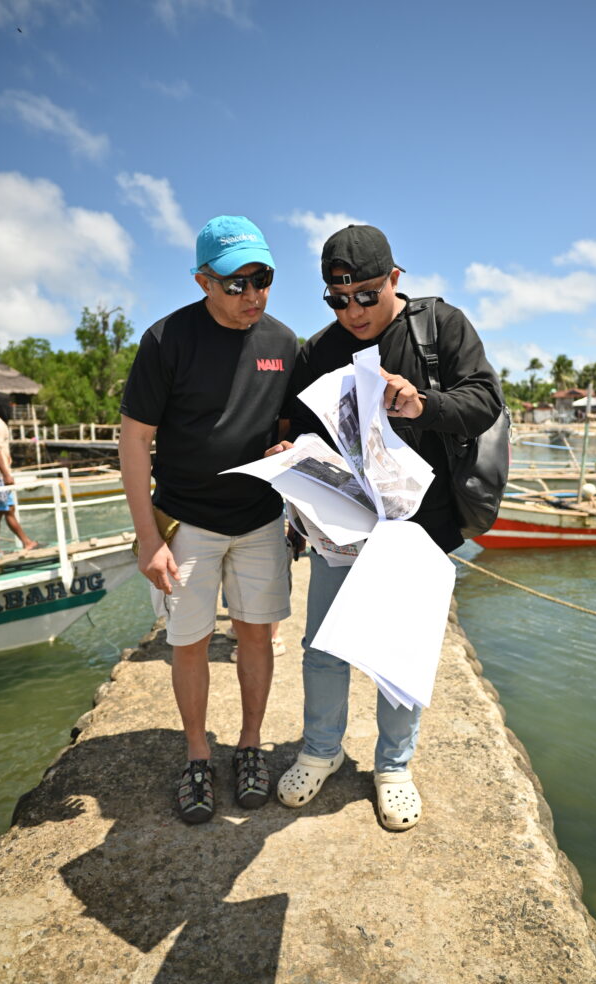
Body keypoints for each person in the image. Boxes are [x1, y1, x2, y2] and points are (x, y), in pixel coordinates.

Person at [272, 224, 502, 831]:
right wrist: (287, 452)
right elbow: (294, 423)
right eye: (338, 298)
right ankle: (321, 749)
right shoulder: (319, 349)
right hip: (341, 525)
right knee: (323, 646)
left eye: (367, 295)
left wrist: (424, 403)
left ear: (395, 279)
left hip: (417, 526)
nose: (353, 310)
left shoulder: (440, 327)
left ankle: (394, 766)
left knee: (398, 653)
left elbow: (484, 400)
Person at [119, 215, 298, 824]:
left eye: (262, 278)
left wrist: (286, 449)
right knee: (189, 642)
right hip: (188, 520)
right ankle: (197, 754)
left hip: (259, 519)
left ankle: (249, 745)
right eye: (235, 283)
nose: (252, 295)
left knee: (256, 633)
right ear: (202, 281)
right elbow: (135, 441)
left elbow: (286, 430)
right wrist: (148, 538)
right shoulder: (166, 340)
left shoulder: (283, 344)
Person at [0, 392, 37, 554]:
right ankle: (26, 542)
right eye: (9, 404)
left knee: (0, 511)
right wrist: (6, 474)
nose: (11, 408)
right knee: (5, 510)